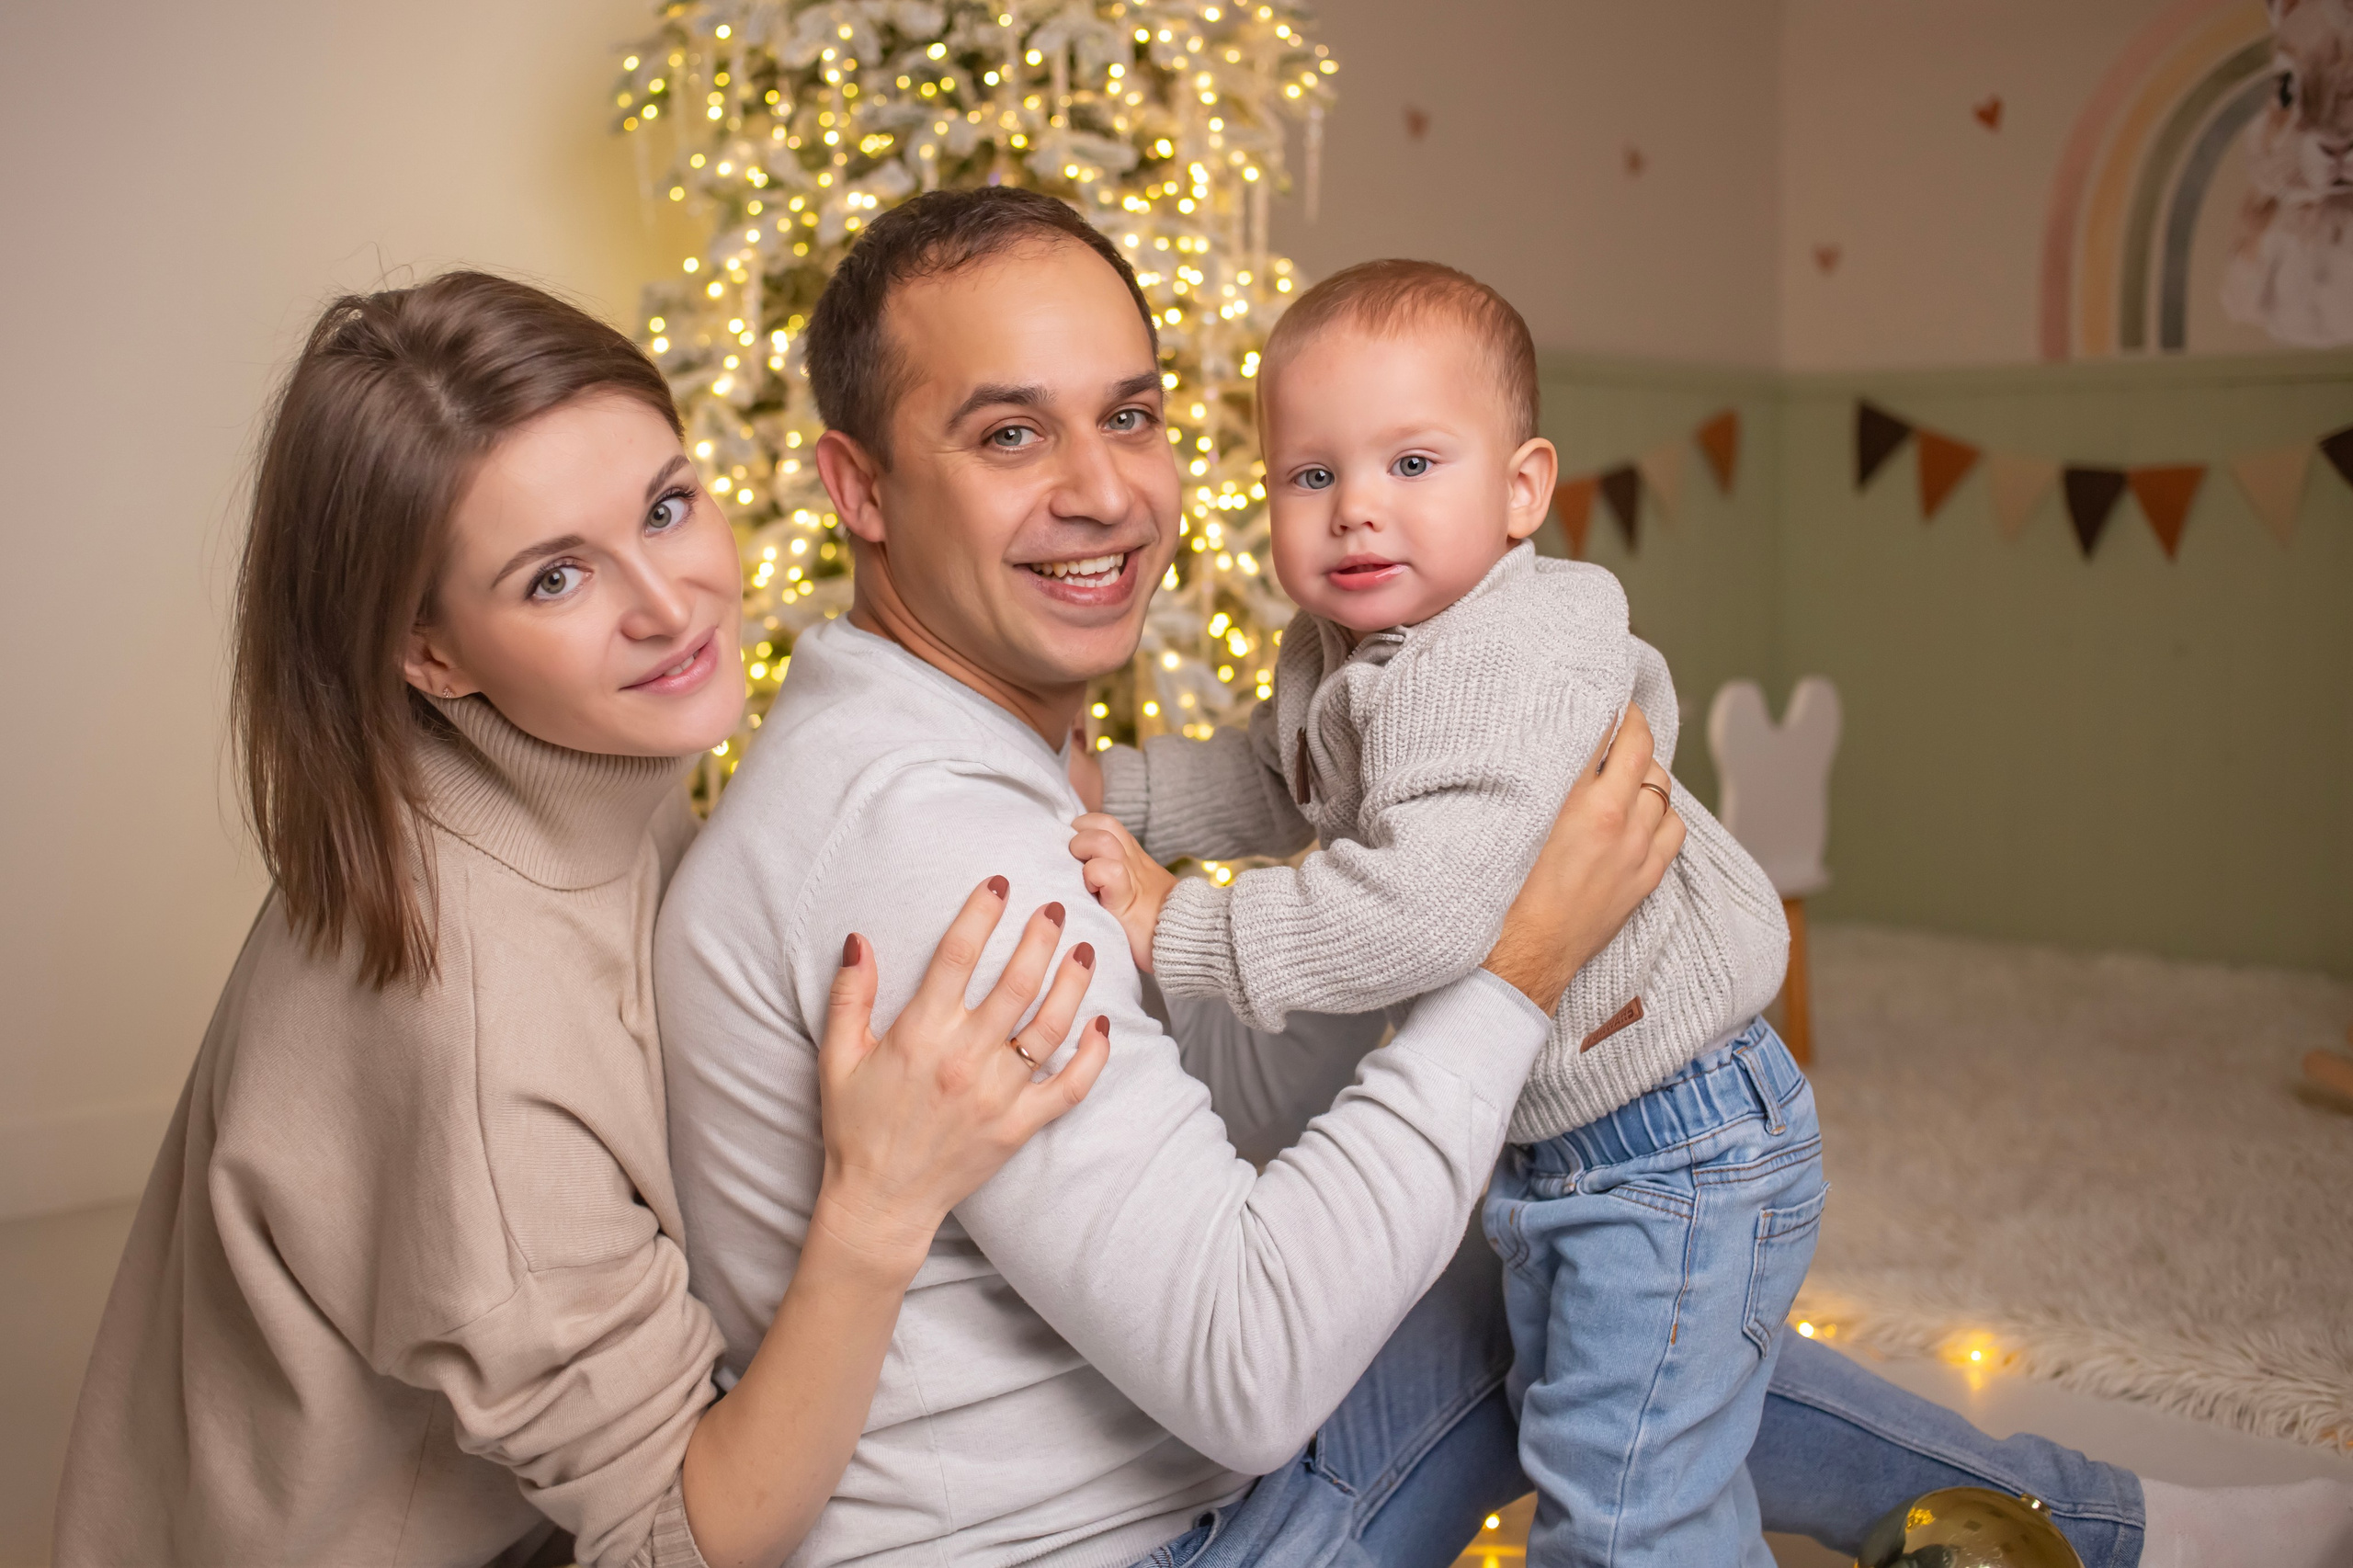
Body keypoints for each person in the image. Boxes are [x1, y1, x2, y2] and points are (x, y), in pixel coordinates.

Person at [658, 185, 2353, 1568]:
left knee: (1599, 1271)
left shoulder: (942, 754)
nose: (1105, 491)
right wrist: (1515, 966)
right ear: (860, 488)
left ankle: (2109, 1527)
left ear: (1518, 485)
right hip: (1139, 1536)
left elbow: (1224, 1092)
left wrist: (1418, 957)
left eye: (1133, 416)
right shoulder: (940, 849)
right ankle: (2093, 1531)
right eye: (1011, 435)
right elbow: (1250, 1366)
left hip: (1132, 1472)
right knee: (1578, 1317)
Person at [53, 271, 1113, 1568]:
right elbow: (680, 1543)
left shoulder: (576, 768)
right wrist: (880, 1201)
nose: (669, 605)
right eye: (557, 577)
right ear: (430, 653)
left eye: (667, 508)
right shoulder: (470, 1019)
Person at [1066, 257, 1813, 1568]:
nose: (1358, 512)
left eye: (1414, 465)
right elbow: (1272, 776)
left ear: (1523, 489)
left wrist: (1183, 926)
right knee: (1624, 1449)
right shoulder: (1347, 649)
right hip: (1563, 1133)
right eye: (1313, 476)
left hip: (1671, 1134)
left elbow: (1418, 914)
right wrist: (1114, 786)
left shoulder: (1496, 663)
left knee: (1626, 1508)